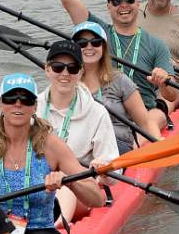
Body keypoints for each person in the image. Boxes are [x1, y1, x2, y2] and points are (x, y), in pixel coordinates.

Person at [30, 0, 179, 131]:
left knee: (154, 117)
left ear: (138, 3)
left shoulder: (155, 45)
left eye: (130, 0)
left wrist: (163, 82)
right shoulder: (95, 34)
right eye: (117, 0)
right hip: (99, 108)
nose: (124, 5)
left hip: (140, 114)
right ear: (108, 6)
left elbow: (171, 94)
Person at [0, 72, 105, 234]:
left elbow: (98, 199)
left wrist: (68, 182)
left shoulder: (51, 146)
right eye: (11, 98)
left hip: (36, 233)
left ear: (35, 106)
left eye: (25, 99)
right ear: (1, 103)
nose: (18, 104)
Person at [35, 39, 119, 220]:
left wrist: (104, 171)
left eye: (72, 68)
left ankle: (56, 227)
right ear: (47, 69)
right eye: (58, 67)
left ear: (81, 72)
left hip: (79, 188)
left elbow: (114, 175)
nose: (65, 73)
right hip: (36, 183)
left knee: (65, 184)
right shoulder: (30, 107)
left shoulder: (97, 113)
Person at [71, 20, 163, 151]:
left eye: (96, 42)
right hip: (83, 148)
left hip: (118, 147)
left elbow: (145, 122)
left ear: (103, 47)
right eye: (82, 43)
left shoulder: (119, 80)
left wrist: (159, 145)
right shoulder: (68, 83)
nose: (89, 47)